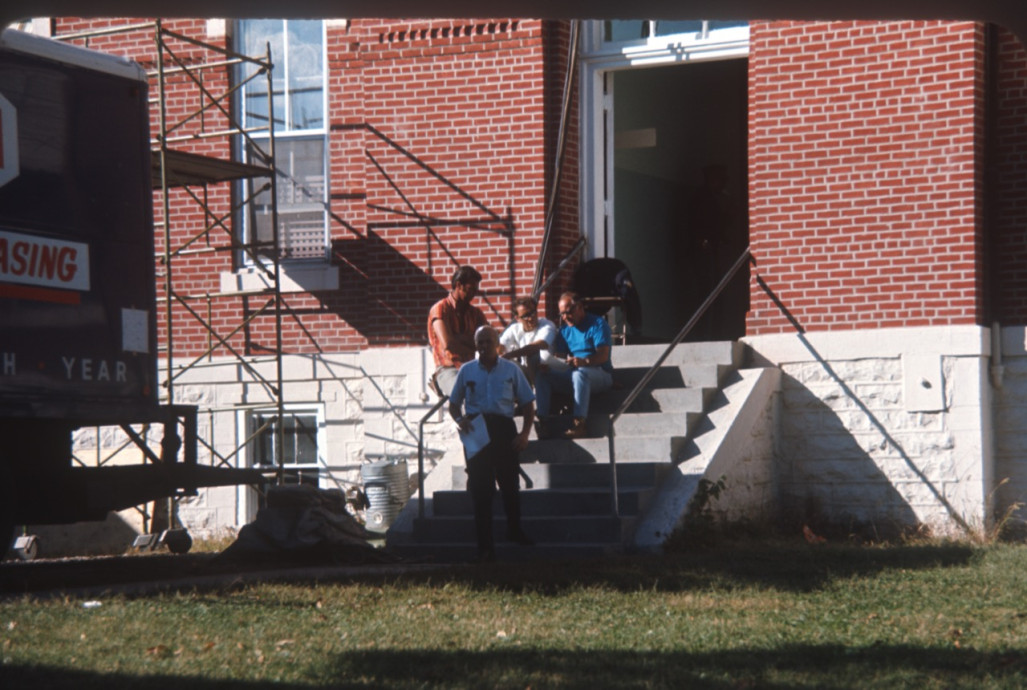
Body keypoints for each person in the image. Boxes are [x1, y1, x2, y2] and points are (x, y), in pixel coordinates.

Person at [449, 325, 536, 562]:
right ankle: (485, 546)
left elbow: (528, 404)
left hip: (503, 429)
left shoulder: (511, 370)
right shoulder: (467, 371)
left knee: (509, 485)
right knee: (481, 489)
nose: (484, 347)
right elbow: (453, 403)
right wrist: (460, 420)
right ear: (476, 345)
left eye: (488, 341)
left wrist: (525, 434)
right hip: (477, 431)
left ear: (497, 343)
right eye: (480, 343)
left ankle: (514, 531)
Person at [535, 291, 614, 439]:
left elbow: (603, 355)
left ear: (579, 307)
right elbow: (561, 356)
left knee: (580, 373)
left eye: (568, 312)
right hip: (573, 373)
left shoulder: (597, 324)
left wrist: (585, 361)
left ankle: (580, 424)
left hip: (599, 373)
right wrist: (552, 365)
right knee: (542, 376)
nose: (564, 317)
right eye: (561, 314)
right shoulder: (565, 331)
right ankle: (543, 423)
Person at [427, 265, 488, 397]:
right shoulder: (440, 308)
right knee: (465, 394)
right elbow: (449, 344)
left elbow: (489, 342)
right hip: (447, 369)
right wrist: (474, 345)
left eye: (476, 290)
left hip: (472, 367)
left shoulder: (476, 313)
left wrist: (458, 338)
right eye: (471, 289)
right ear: (459, 285)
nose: (474, 294)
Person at [499, 296, 559, 385]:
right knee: (502, 362)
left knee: (533, 355)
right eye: (526, 316)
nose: (531, 318)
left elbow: (538, 346)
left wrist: (509, 355)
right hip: (527, 374)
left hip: (548, 372)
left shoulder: (547, 325)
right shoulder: (514, 328)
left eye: (533, 313)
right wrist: (500, 353)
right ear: (517, 318)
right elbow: (499, 344)